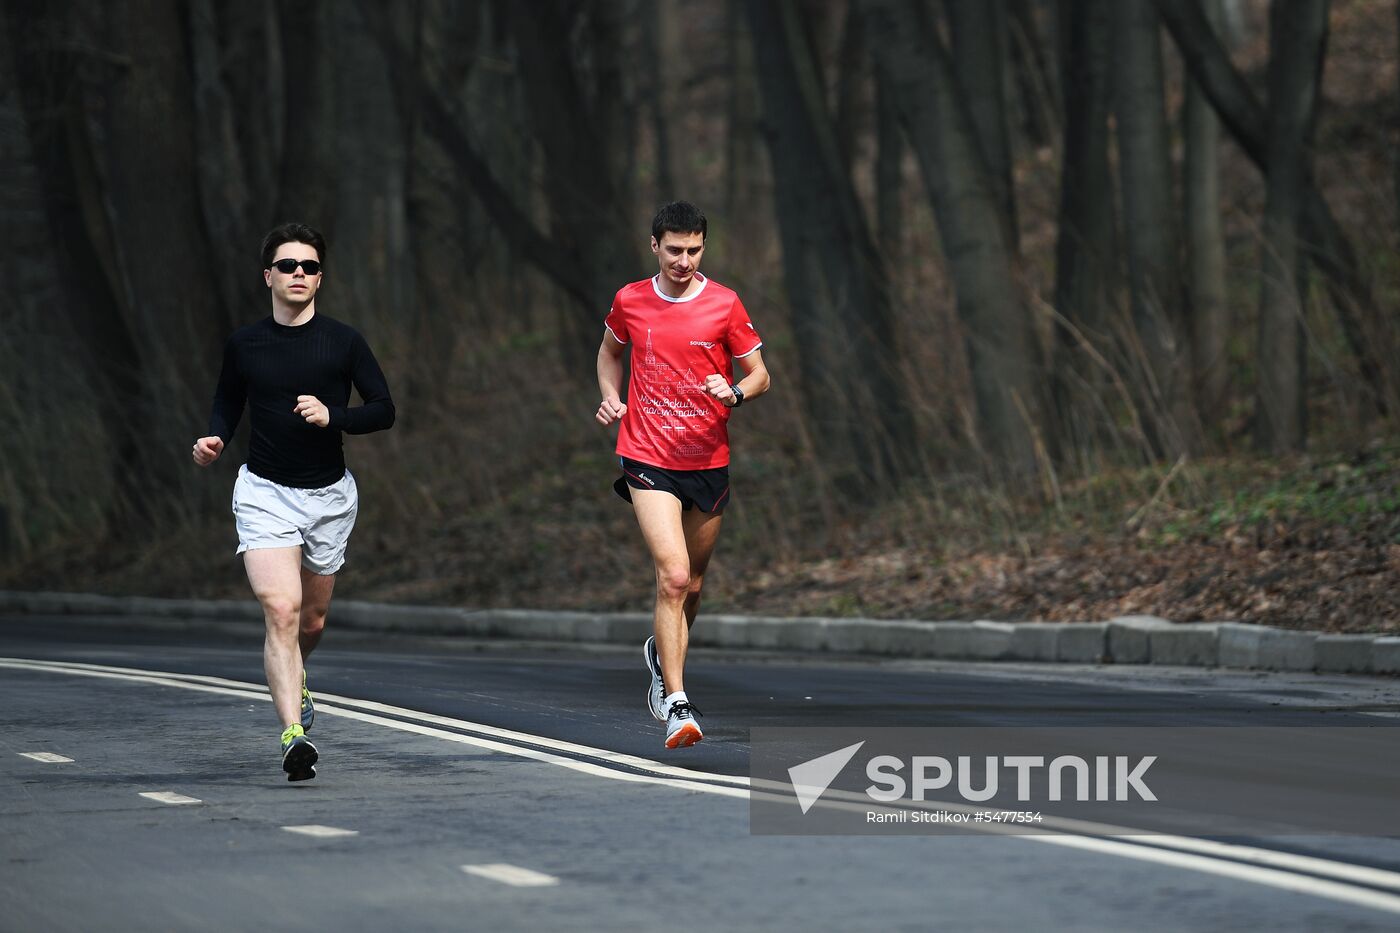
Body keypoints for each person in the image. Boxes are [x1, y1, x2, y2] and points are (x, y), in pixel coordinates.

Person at [192, 223, 395, 780]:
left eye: (308, 266)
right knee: (279, 610)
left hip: (329, 496)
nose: (298, 274)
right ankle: (292, 734)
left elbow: (384, 408)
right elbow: (227, 400)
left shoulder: (343, 341)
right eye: (288, 266)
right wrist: (215, 439)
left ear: (320, 278)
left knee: (311, 618)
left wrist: (337, 417)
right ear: (269, 276)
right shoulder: (246, 344)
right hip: (264, 492)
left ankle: (299, 671)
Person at [596, 201, 770, 749]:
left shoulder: (724, 304)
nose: (684, 260)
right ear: (655, 247)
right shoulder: (631, 300)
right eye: (674, 250)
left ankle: (660, 650)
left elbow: (761, 373)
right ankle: (675, 701)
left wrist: (736, 391)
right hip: (647, 455)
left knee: (693, 585)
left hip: (708, 459)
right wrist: (610, 397)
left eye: (694, 250)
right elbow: (608, 354)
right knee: (671, 575)